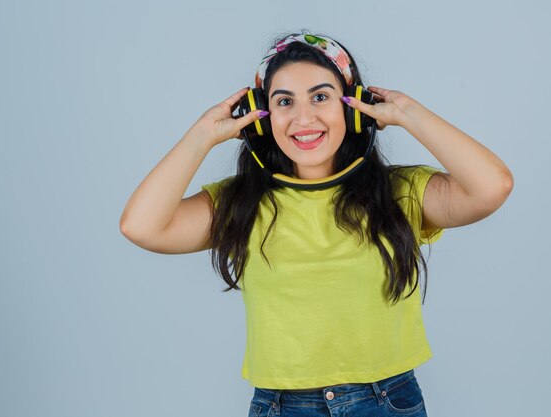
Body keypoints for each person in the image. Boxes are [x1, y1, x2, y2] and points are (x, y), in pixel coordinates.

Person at [119, 30, 513, 417]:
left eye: (321, 96)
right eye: (284, 101)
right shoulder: (240, 202)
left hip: (385, 402)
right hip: (282, 405)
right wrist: (202, 135)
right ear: (261, 116)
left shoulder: (401, 192)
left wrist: (410, 115)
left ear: (353, 106)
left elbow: (492, 186)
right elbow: (141, 226)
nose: (303, 117)